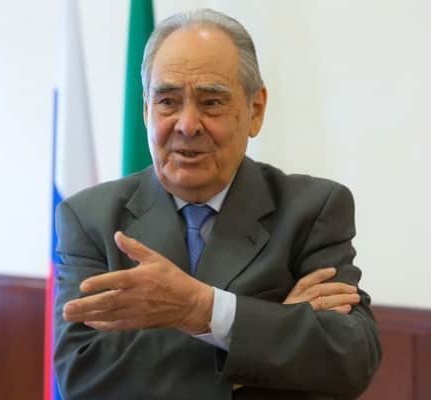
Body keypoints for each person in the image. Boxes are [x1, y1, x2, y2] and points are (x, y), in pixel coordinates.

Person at [54, 8, 381, 400]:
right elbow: (83, 380)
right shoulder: (91, 218)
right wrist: (263, 335)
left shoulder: (312, 210)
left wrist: (203, 309)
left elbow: (349, 359)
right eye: (167, 101)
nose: (187, 124)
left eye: (211, 102)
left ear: (255, 110)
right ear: (145, 110)